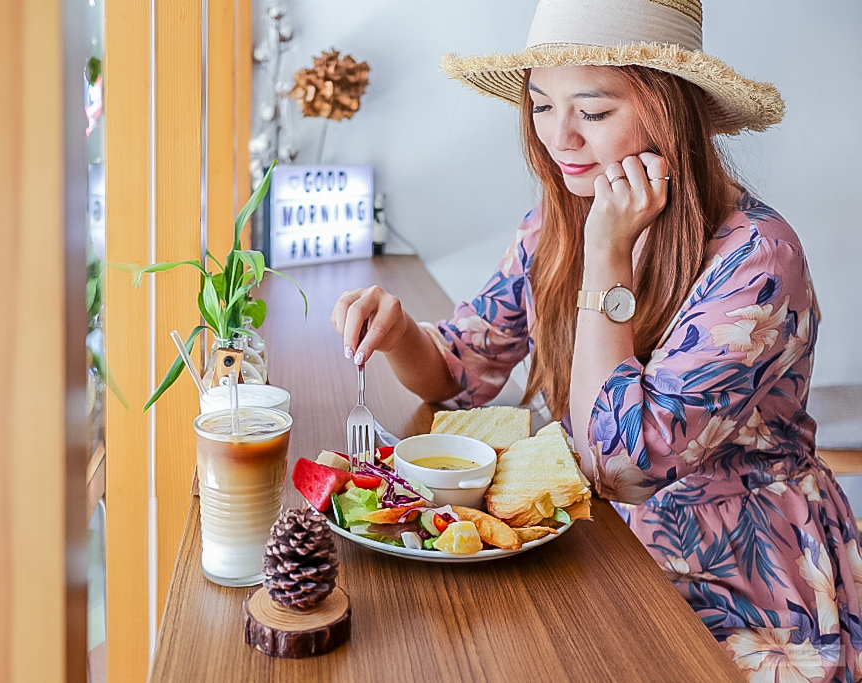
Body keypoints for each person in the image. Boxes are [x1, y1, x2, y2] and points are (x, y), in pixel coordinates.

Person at [331, 0, 862, 679]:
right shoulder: (556, 220)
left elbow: (619, 467)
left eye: (594, 110)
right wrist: (400, 330)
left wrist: (606, 254)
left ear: (672, 110)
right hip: (595, 548)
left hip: (742, 590)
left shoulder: (758, 261)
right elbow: (462, 367)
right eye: (541, 105)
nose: (560, 139)